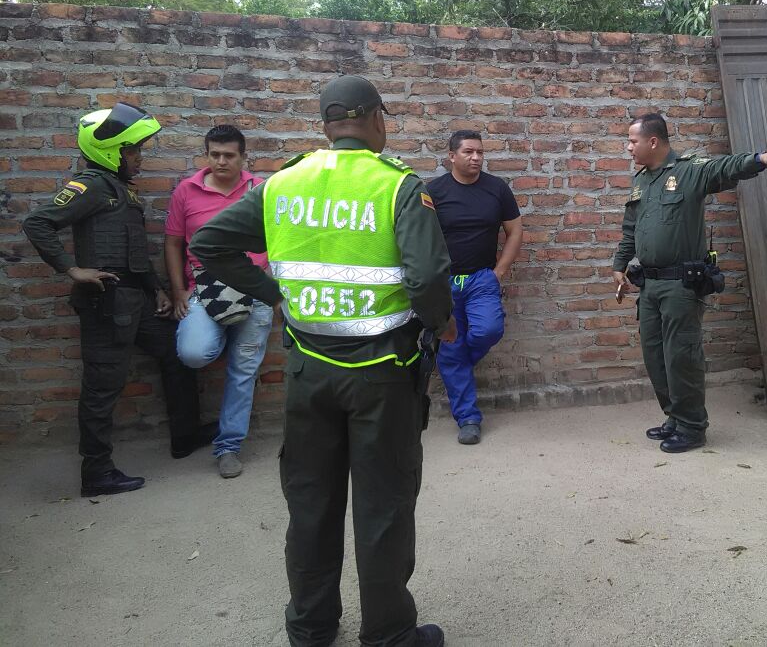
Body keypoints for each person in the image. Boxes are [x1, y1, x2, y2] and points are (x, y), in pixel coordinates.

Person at [190, 75, 455, 647]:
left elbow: (208, 243)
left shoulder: (284, 182)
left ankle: (310, 628)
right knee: (383, 505)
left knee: (310, 501)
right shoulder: (398, 186)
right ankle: (389, 635)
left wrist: (274, 295)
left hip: (308, 369)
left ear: (327, 124)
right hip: (383, 373)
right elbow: (429, 277)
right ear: (376, 118)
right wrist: (441, 322)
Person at [22, 103, 210, 498]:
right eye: (134, 150)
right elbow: (38, 222)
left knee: (176, 353)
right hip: (105, 304)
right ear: (111, 151)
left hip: (135, 300)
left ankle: (185, 436)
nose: (140, 157)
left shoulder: (120, 189)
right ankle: (97, 472)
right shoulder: (90, 186)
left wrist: (156, 289)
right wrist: (72, 269)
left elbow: (133, 252)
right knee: (102, 387)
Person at [612, 112, 767, 453]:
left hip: (679, 285)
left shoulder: (689, 171)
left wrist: (760, 159)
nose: (628, 147)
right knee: (655, 356)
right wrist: (619, 265)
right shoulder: (641, 181)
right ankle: (675, 418)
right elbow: (630, 229)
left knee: (681, 356)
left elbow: (723, 168)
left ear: (652, 141)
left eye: (632, 141)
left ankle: (693, 427)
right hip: (649, 286)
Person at [164, 124, 274, 479]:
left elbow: (280, 239)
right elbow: (173, 243)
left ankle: (228, 447)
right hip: (204, 290)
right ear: (206, 155)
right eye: (215, 155)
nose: (221, 161)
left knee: (243, 371)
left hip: (254, 292)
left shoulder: (261, 191)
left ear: (243, 158)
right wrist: (178, 290)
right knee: (194, 353)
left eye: (229, 155)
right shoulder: (187, 191)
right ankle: (225, 335)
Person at [426, 130, 522, 444]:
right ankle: (468, 418)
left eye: (480, 152)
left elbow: (515, 231)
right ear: (451, 156)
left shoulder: (497, 189)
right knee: (452, 346)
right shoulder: (434, 191)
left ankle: (455, 363)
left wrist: (499, 272)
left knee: (487, 331)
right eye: (468, 152)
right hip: (445, 280)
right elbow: (421, 236)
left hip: (482, 279)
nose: (476, 158)